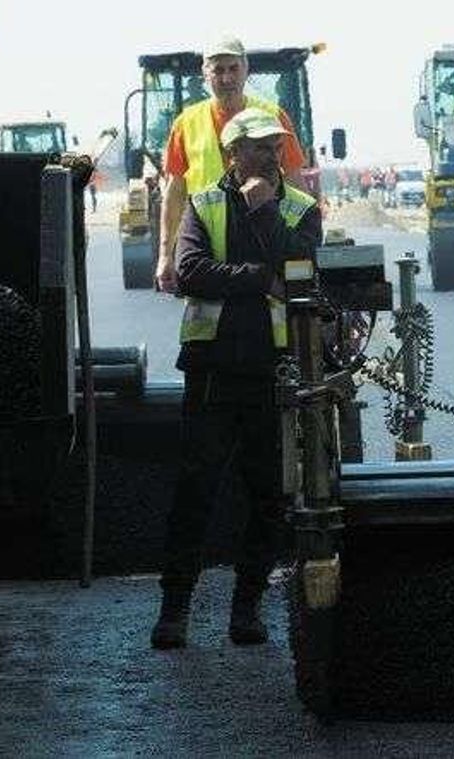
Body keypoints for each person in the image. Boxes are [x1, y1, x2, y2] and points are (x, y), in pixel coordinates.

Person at [150, 107, 322, 650]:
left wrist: (265, 213)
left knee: (268, 496)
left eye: (275, 148)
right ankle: (174, 611)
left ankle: (245, 611)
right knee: (195, 492)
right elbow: (191, 272)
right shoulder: (202, 206)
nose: (271, 157)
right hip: (213, 374)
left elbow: (298, 273)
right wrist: (257, 278)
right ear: (232, 154)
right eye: (259, 148)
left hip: (274, 374)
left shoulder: (298, 208)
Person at [155, 34, 308, 294]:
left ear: (246, 69)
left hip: (265, 241)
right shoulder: (186, 124)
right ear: (206, 74)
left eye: (233, 69)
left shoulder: (274, 117)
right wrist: (165, 255)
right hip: (208, 251)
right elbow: (175, 191)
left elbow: (295, 181)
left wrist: (304, 238)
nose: (226, 79)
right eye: (218, 70)